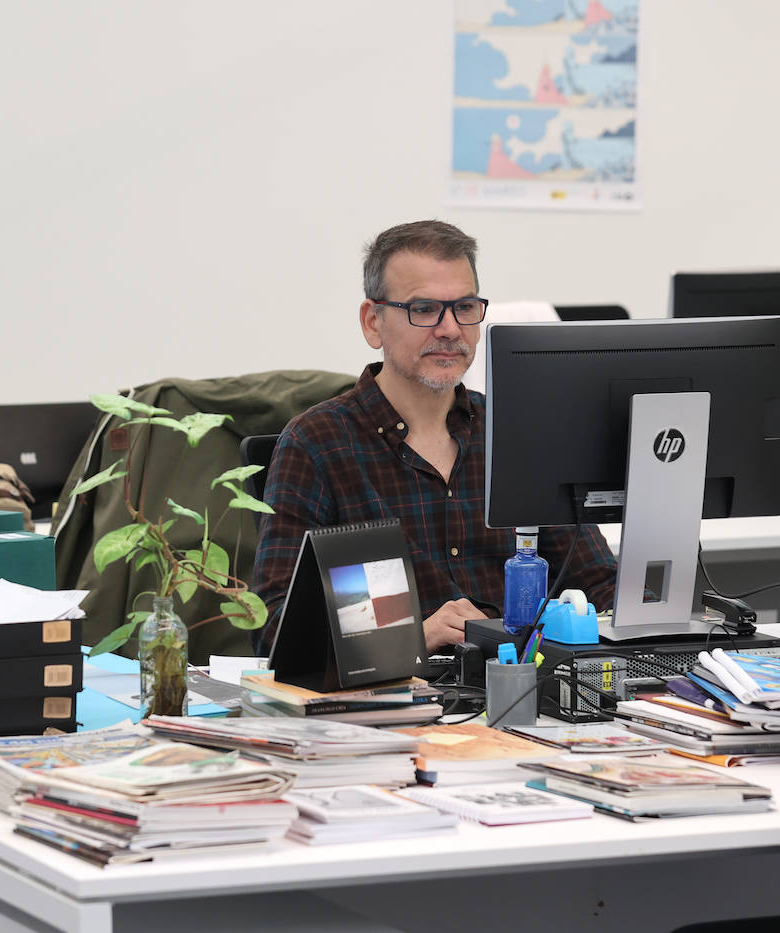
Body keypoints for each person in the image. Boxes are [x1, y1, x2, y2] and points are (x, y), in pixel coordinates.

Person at [251, 220, 616, 654]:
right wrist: (413, 639)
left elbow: (600, 585)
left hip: (525, 680)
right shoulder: (318, 443)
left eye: (464, 307)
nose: (450, 329)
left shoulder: (519, 430)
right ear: (372, 322)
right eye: (424, 309)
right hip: (399, 688)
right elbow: (275, 629)